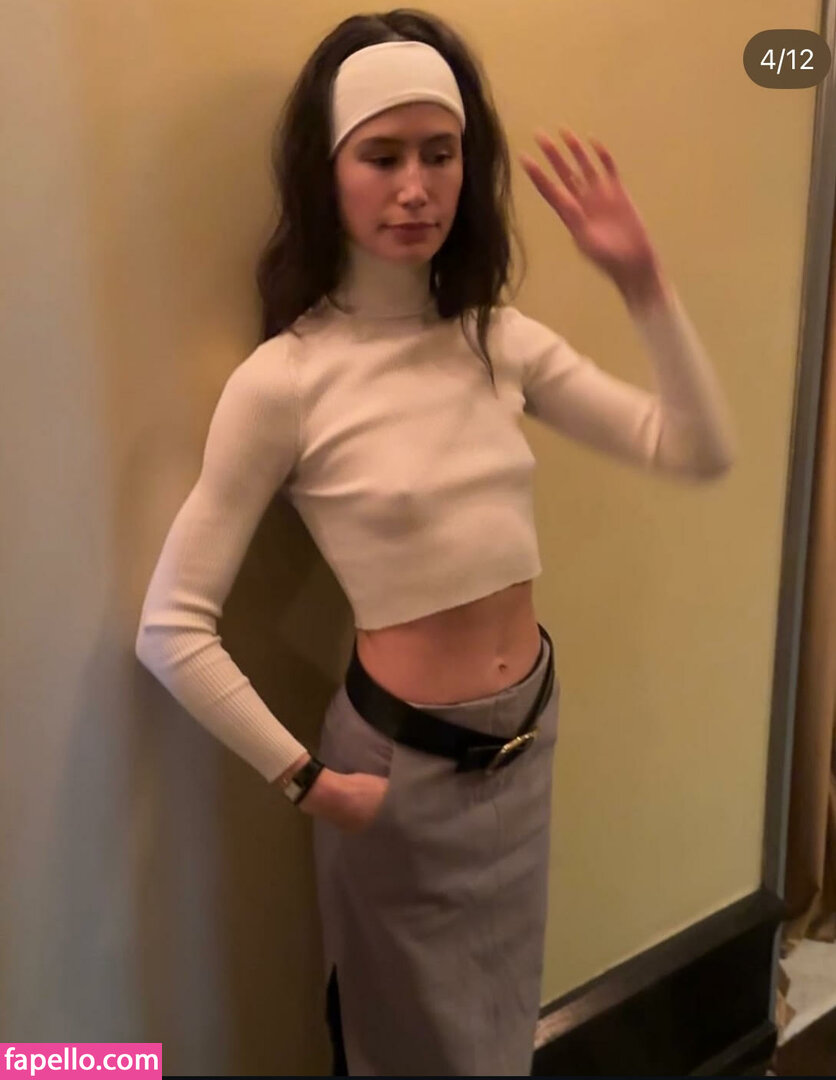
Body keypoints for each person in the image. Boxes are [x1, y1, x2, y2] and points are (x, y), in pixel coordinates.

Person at [134, 9, 737, 1076]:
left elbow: (693, 449)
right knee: (409, 1050)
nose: (415, 186)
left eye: (439, 153)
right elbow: (169, 630)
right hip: (395, 776)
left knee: (498, 1040)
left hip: (526, 746)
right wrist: (309, 782)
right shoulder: (287, 380)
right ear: (327, 173)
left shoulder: (495, 337)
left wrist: (643, 286)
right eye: (381, 156)